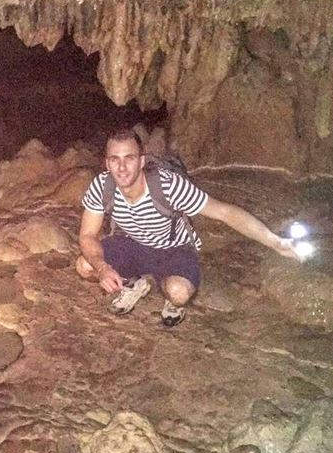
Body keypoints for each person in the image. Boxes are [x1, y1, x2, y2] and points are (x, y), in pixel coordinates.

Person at [76, 128, 297, 327]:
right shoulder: (102, 186)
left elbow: (225, 212)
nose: (122, 167)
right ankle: (134, 284)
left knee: (178, 293)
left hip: (174, 249)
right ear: (107, 163)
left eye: (129, 158)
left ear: (141, 161)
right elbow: (87, 235)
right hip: (134, 243)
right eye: (115, 159)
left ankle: (172, 299)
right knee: (86, 265)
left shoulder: (168, 186)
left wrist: (275, 242)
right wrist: (103, 268)